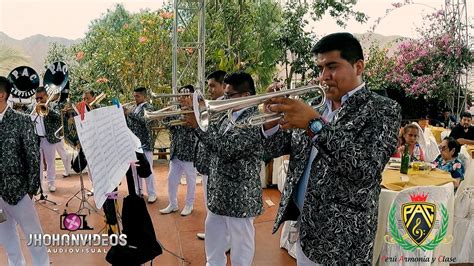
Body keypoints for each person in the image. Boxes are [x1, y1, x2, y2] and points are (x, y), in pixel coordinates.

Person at [264, 32, 401, 264]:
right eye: (320, 68)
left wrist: (314, 124)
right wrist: (269, 122)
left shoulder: (383, 109)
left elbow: (364, 169)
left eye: (332, 66)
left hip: (343, 241)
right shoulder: (317, 105)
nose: (324, 76)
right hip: (306, 230)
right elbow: (279, 148)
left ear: (358, 67)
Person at [189, 72, 264, 265]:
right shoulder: (229, 114)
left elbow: (228, 149)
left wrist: (198, 126)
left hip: (240, 194)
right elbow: (215, 141)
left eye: (229, 95)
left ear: (246, 96)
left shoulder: (256, 119)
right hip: (220, 191)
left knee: (241, 243)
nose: (224, 99)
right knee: (214, 234)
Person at [0, 76, 50, 265]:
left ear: (2, 95)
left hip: (20, 192)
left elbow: (33, 157)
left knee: (34, 237)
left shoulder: (21, 121)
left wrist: (30, 189)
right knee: (7, 239)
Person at [193, 70, 226, 239]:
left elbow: (213, 135)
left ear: (224, 86)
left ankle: (220, 236)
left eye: (213, 86)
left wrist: (196, 123)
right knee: (209, 202)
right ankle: (213, 232)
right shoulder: (211, 104)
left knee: (214, 203)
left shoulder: (223, 106)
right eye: (208, 86)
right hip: (207, 161)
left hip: (215, 161)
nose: (210, 90)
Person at [159, 85, 198, 216]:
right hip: (176, 151)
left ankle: (189, 204)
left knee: (191, 181)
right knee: (171, 179)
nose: (182, 98)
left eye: (186, 95)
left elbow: (197, 129)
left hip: (189, 152)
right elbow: (169, 126)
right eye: (181, 95)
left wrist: (190, 112)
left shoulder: (197, 111)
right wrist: (166, 115)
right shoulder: (177, 110)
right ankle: (173, 204)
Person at [125, 87, 157, 203]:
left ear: (144, 96)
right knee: (135, 170)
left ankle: (152, 193)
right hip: (133, 144)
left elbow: (146, 121)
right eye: (134, 96)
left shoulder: (149, 107)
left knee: (148, 169)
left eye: (137, 96)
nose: (135, 98)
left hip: (144, 143)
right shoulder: (134, 107)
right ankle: (139, 191)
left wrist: (130, 114)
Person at [32, 86, 62, 192]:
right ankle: (39, 185)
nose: (39, 100)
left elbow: (59, 117)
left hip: (49, 139)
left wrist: (47, 108)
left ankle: (51, 183)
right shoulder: (33, 106)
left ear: (46, 96)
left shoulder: (53, 105)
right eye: (37, 98)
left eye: (41, 98)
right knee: (38, 163)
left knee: (50, 162)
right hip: (37, 139)